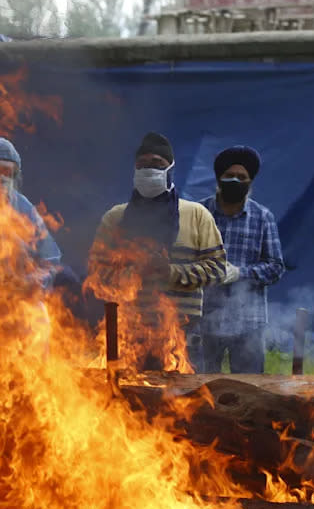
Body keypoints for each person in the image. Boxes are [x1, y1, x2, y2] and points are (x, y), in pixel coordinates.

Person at [88, 132, 226, 371]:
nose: (148, 170)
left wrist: (170, 272)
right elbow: (96, 273)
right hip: (129, 336)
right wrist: (134, 274)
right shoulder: (115, 218)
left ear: (170, 169)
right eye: (142, 165)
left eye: (157, 164)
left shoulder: (196, 215)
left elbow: (217, 270)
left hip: (182, 337)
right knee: (126, 405)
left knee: (187, 403)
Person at [199, 146, 284, 374]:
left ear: (250, 181)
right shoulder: (199, 213)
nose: (235, 180)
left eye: (242, 177)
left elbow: (276, 267)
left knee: (249, 390)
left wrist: (240, 273)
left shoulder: (262, 217)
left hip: (249, 322)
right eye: (229, 176)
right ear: (219, 178)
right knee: (198, 391)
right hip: (204, 320)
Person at [0, 137, 62, 288]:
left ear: (15, 174)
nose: (2, 177)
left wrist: (34, 281)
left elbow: (50, 260)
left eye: (7, 171)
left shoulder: (25, 208)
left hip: (18, 297)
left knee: (39, 309)